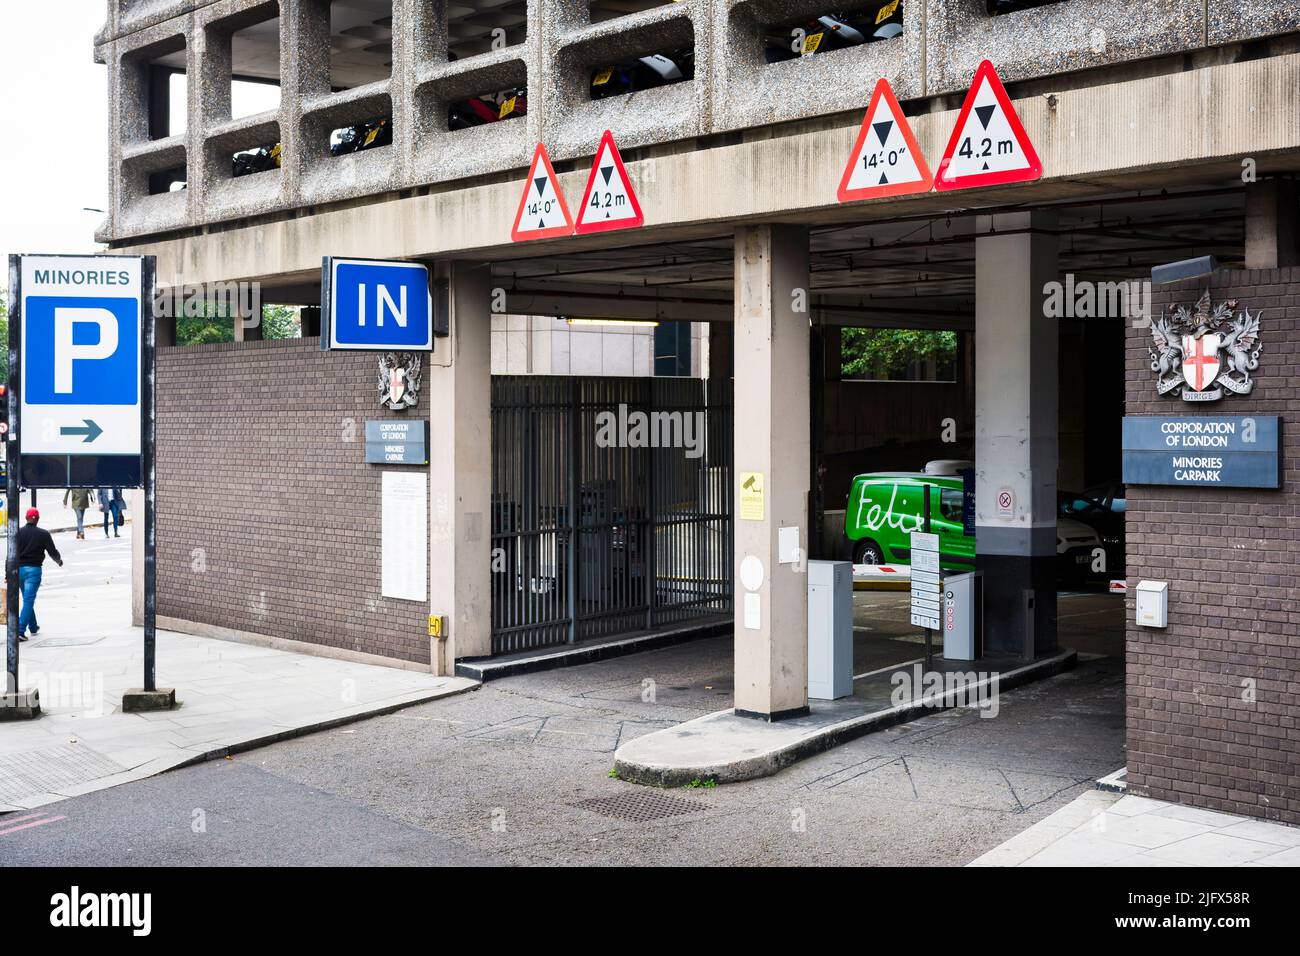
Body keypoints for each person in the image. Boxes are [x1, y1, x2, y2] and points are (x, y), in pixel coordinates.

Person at [16, 508, 62, 642]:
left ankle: (34, 627)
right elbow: (52, 551)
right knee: (28, 600)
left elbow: (11, 552)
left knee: (27, 599)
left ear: (26, 518)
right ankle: (20, 630)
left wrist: (8, 573)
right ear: (37, 519)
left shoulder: (18, 532)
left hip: (19, 570)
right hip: (34, 570)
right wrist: (59, 561)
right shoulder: (43, 534)